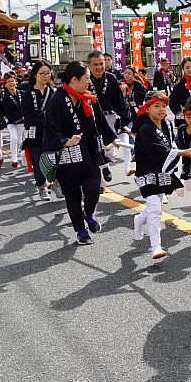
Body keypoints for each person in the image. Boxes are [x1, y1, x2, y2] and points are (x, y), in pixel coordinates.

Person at [43, 62, 120, 245]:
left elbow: (100, 122)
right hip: (67, 158)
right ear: (74, 79)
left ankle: (89, 213)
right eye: (86, 78)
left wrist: (112, 139)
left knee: (94, 189)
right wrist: (65, 141)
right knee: (73, 197)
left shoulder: (89, 98)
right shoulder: (58, 99)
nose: (89, 81)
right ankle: (81, 231)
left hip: (90, 154)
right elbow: (50, 128)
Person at [133, 91, 191, 259]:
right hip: (147, 173)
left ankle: (139, 219)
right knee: (155, 210)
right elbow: (161, 151)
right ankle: (156, 247)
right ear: (147, 109)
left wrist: (181, 150)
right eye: (156, 106)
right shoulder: (146, 130)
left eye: (163, 106)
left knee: (154, 205)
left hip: (162, 171)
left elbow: (171, 145)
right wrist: (182, 153)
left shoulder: (167, 123)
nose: (161, 109)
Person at [87, 50, 131, 184]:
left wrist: (124, 118)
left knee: (110, 149)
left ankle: (106, 163)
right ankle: (102, 170)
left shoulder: (111, 78)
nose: (99, 67)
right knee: (96, 147)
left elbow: (120, 100)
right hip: (91, 118)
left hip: (109, 117)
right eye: (95, 64)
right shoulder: (85, 79)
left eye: (101, 63)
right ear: (89, 65)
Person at [21, 61, 55, 200]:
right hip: (34, 134)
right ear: (35, 75)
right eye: (42, 73)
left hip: (52, 132)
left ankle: (56, 183)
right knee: (38, 161)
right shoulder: (27, 94)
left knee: (55, 159)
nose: (46, 76)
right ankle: (41, 186)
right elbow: (28, 117)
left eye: (48, 73)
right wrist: (47, 116)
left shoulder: (53, 91)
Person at [1, 72, 25, 168]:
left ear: (16, 82)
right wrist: (20, 117)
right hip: (11, 121)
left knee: (19, 140)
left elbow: (27, 106)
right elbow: (8, 111)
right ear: (5, 84)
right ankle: (14, 159)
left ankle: (17, 156)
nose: (11, 83)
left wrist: (25, 116)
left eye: (13, 81)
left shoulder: (22, 93)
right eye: (9, 82)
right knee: (14, 138)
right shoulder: (5, 97)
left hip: (22, 121)